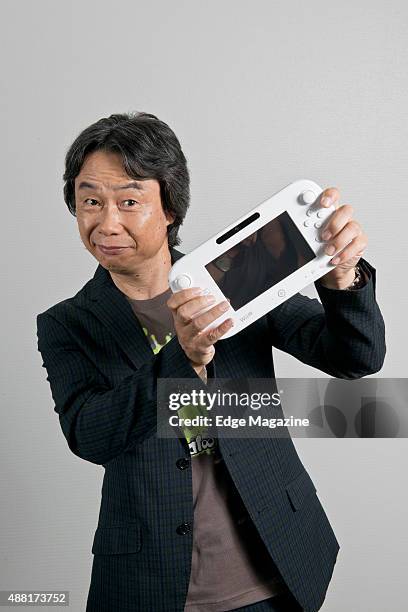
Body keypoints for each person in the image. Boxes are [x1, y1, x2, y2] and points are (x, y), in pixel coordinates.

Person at [36, 112, 386, 612]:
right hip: (150, 583)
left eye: (129, 201)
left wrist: (341, 278)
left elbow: (356, 358)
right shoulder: (68, 323)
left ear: (170, 209)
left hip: (277, 564)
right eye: (90, 201)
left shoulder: (236, 275)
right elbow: (90, 436)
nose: (106, 223)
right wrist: (186, 356)